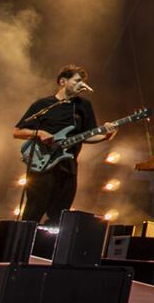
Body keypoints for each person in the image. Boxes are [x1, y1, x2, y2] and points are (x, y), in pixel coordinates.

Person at [12, 64, 114, 224]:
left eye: (82, 82)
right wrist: (39, 133)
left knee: (60, 217)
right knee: (33, 213)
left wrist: (106, 135)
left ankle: (50, 247)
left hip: (68, 168)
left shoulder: (83, 106)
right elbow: (17, 132)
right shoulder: (43, 105)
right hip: (42, 167)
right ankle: (23, 246)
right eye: (77, 80)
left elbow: (88, 135)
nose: (81, 84)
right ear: (63, 81)